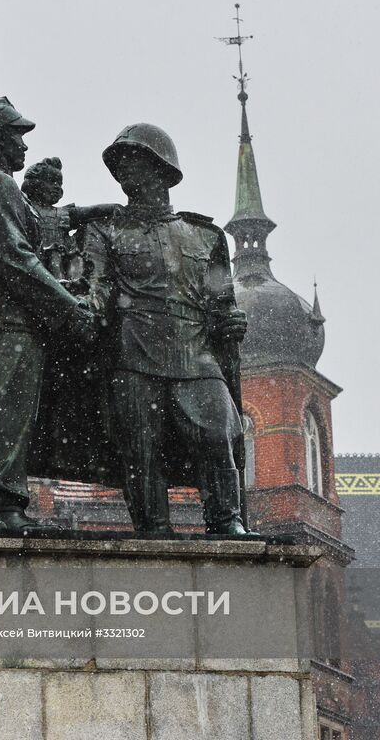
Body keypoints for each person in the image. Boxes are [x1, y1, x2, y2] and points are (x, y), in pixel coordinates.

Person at [84, 123, 250, 535]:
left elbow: (221, 301)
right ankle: (153, 530)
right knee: (141, 451)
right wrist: (81, 311)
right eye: (118, 164)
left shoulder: (205, 235)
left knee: (218, 435)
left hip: (196, 355)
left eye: (132, 161)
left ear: (160, 168)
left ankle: (226, 521)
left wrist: (231, 320)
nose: (122, 172)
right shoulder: (103, 230)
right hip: (133, 354)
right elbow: (96, 289)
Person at [0, 97, 95, 536]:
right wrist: (68, 307)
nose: (24, 146)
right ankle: (0, 507)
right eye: (17, 135)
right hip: (9, 316)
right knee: (6, 408)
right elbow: (15, 259)